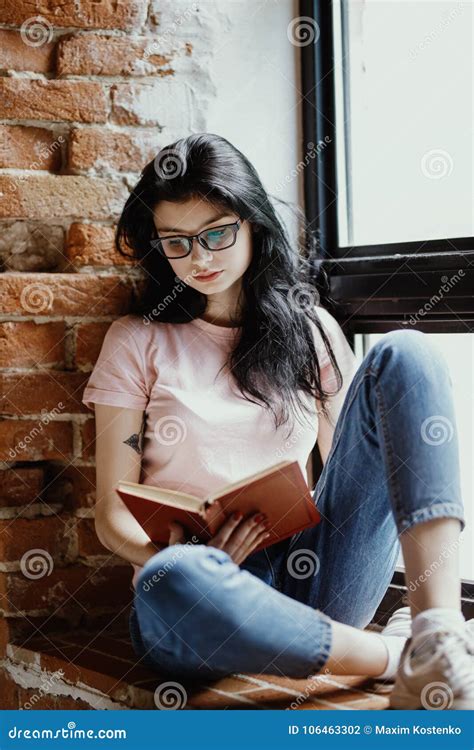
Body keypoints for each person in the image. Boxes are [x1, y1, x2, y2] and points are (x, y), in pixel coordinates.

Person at [82, 133, 472, 710]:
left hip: (316, 573)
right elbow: (111, 513)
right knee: (176, 585)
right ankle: (396, 657)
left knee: (407, 353)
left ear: (253, 224)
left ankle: (438, 631)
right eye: (177, 242)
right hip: (203, 592)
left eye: (217, 233)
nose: (201, 258)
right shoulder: (138, 339)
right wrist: (178, 556)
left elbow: (354, 475)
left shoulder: (310, 329)